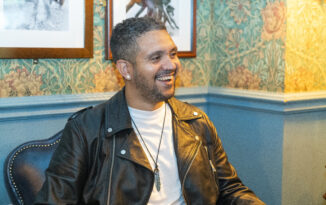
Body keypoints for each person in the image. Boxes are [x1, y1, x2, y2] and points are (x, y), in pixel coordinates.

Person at [34, 17, 265, 205]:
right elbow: (55, 200)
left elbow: (229, 188)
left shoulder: (195, 122)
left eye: (173, 54)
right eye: (156, 58)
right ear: (126, 69)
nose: (171, 65)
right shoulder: (86, 129)